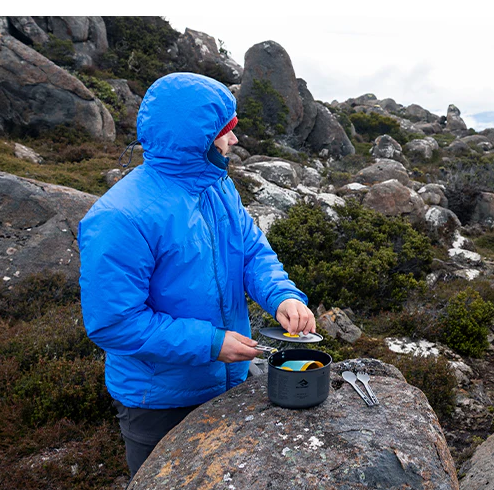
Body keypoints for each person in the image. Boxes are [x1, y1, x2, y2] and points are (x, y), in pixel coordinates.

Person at [78, 72, 316, 478]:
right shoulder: (120, 216)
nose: (235, 141)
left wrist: (282, 296)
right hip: (158, 400)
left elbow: (252, 252)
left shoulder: (216, 185)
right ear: (197, 139)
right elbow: (114, 324)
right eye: (226, 132)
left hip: (229, 377)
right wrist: (209, 343)